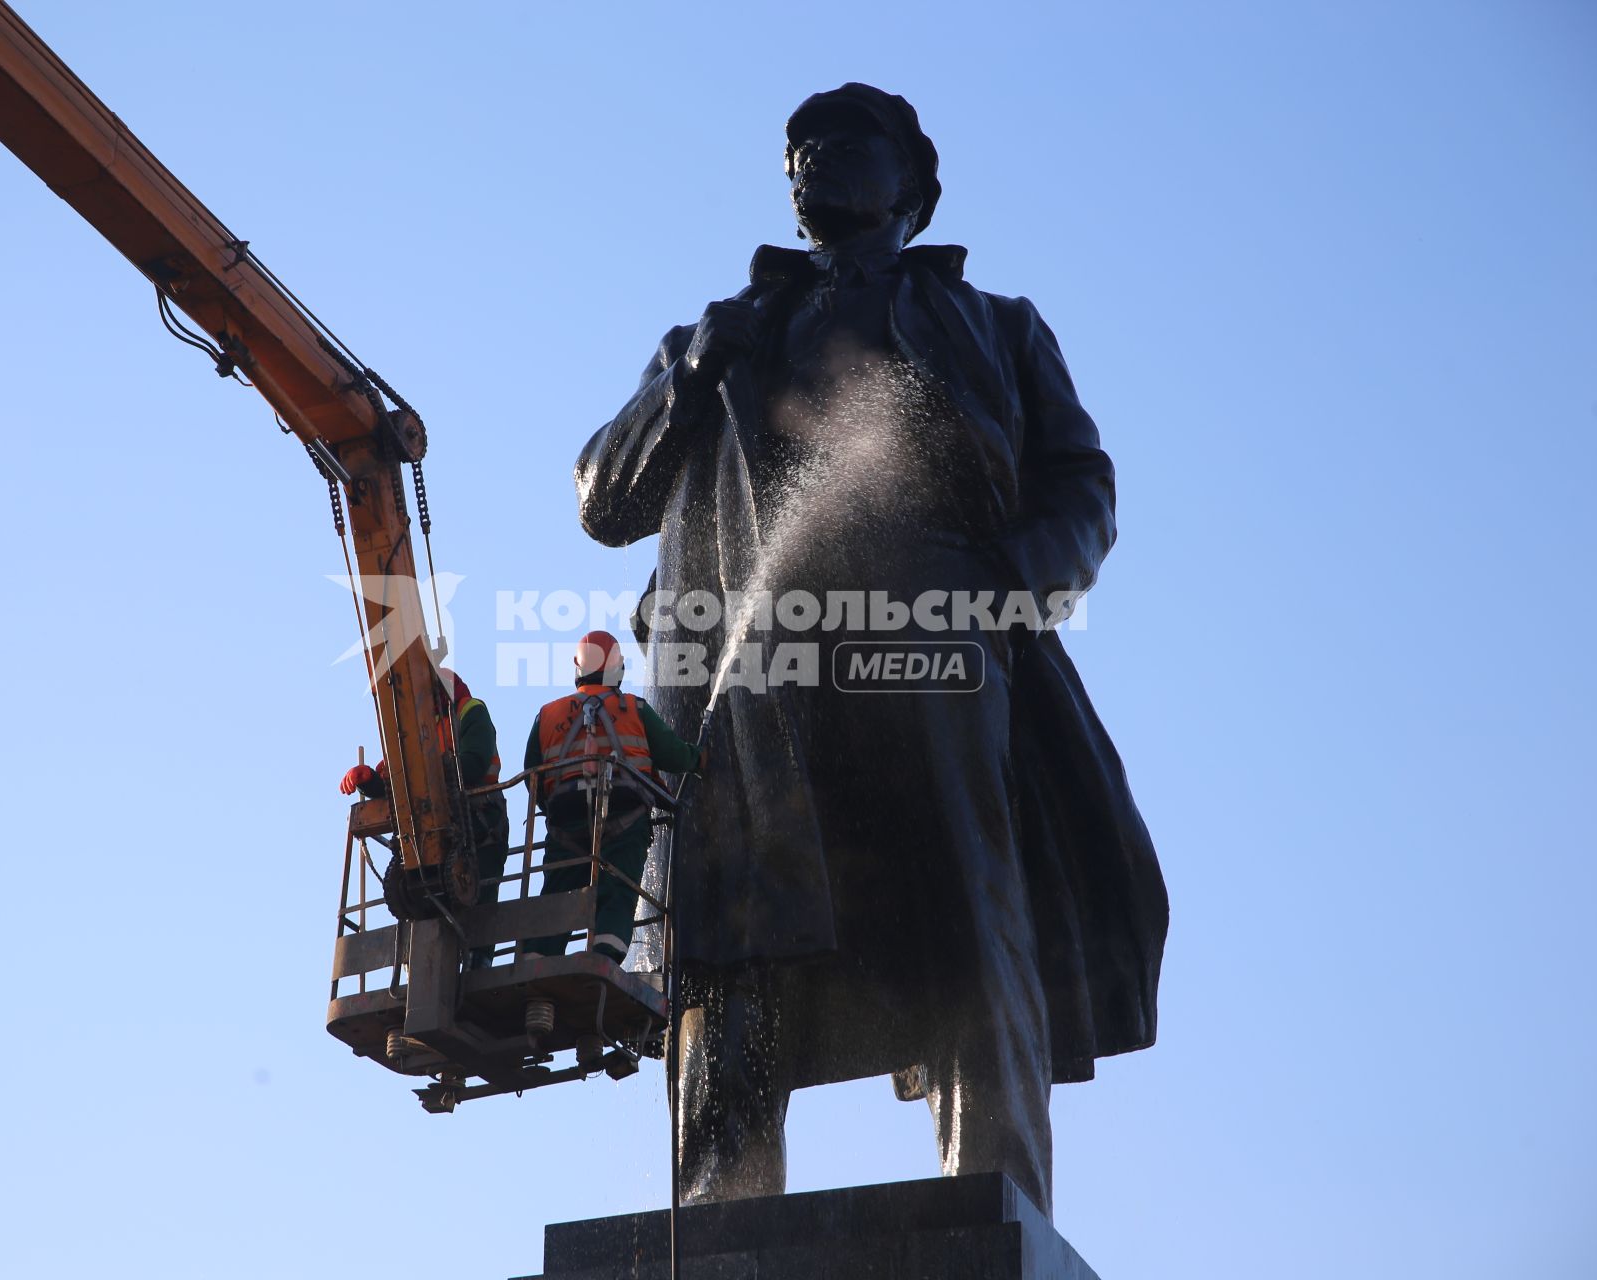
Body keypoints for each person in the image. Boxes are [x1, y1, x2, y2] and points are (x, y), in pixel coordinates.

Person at [575, 84, 1168, 1212]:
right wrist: (697, 371)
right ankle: (719, 1212)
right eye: (800, 150)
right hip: (754, 660)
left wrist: (1002, 590)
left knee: (964, 905)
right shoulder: (711, 334)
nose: (816, 161)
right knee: (732, 938)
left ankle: (997, 1199)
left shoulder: (998, 325)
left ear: (914, 186)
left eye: (848, 144)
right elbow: (606, 499)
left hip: (936, 634)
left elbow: (1081, 484)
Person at [521, 630, 702, 963]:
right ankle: (605, 954)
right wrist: (699, 757)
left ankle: (535, 956)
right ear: (617, 669)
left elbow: (531, 775)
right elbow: (675, 756)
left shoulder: (548, 715)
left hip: (566, 821)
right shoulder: (634, 708)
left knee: (558, 889)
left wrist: (556, 808)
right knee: (618, 887)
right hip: (623, 818)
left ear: (577, 668)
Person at [340, 667, 512, 965]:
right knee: (428, 896)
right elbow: (393, 780)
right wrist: (368, 779)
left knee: (479, 891)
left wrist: (424, 777)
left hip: (481, 822)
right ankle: (426, 964)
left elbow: (473, 764)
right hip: (436, 832)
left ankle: (478, 960)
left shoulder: (470, 712)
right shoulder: (418, 728)